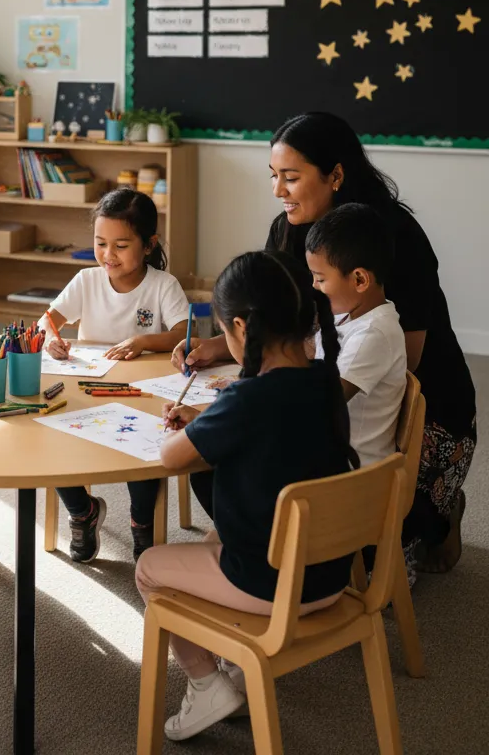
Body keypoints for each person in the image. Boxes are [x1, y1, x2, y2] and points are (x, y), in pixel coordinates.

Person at [174, 112, 475, 573]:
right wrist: (222, 343)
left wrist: (270, 408)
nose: (278, 191)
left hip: (419, 403)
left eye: (290, 178)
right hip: (330, 385)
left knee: (381, 539)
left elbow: (406, 366)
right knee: (230, 460)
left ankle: (436, 520)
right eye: (274, 176)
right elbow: (270, 314)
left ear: (336, 175)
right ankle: (278, 553)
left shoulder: (396, 240)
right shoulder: (288, 229)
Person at [139, 249, 357, 741]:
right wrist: (209, 423)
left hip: (272, 586)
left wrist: (195, 426)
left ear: (239, 327)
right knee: (213, 539)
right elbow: (272, 436)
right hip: (331, 575)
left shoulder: (247, 398)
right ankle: (231, 666)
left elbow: (172, 458)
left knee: (150, 566)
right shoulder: (326, 381)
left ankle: (207, 682)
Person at [38, 188, 190, 562]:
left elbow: (186, 332)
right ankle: (82, 512)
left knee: (147, 446)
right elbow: (47, 321)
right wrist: (50, 340)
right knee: (48, 438)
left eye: (121, 245)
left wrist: (142, 340)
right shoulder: (87, 280)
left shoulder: (162, 285)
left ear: (149, 244)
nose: (108, 255)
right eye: (101, 243)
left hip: (141, 392)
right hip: (88, 389)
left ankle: (141, 524)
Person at [306, 203, 407, 466]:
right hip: (328, 453)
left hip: (351, 475)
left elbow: (322, 405)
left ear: (360, 280)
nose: (313, 287)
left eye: (320, 279)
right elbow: (310, 354)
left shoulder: (373, 333)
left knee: (228, 460)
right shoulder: (347, 312)